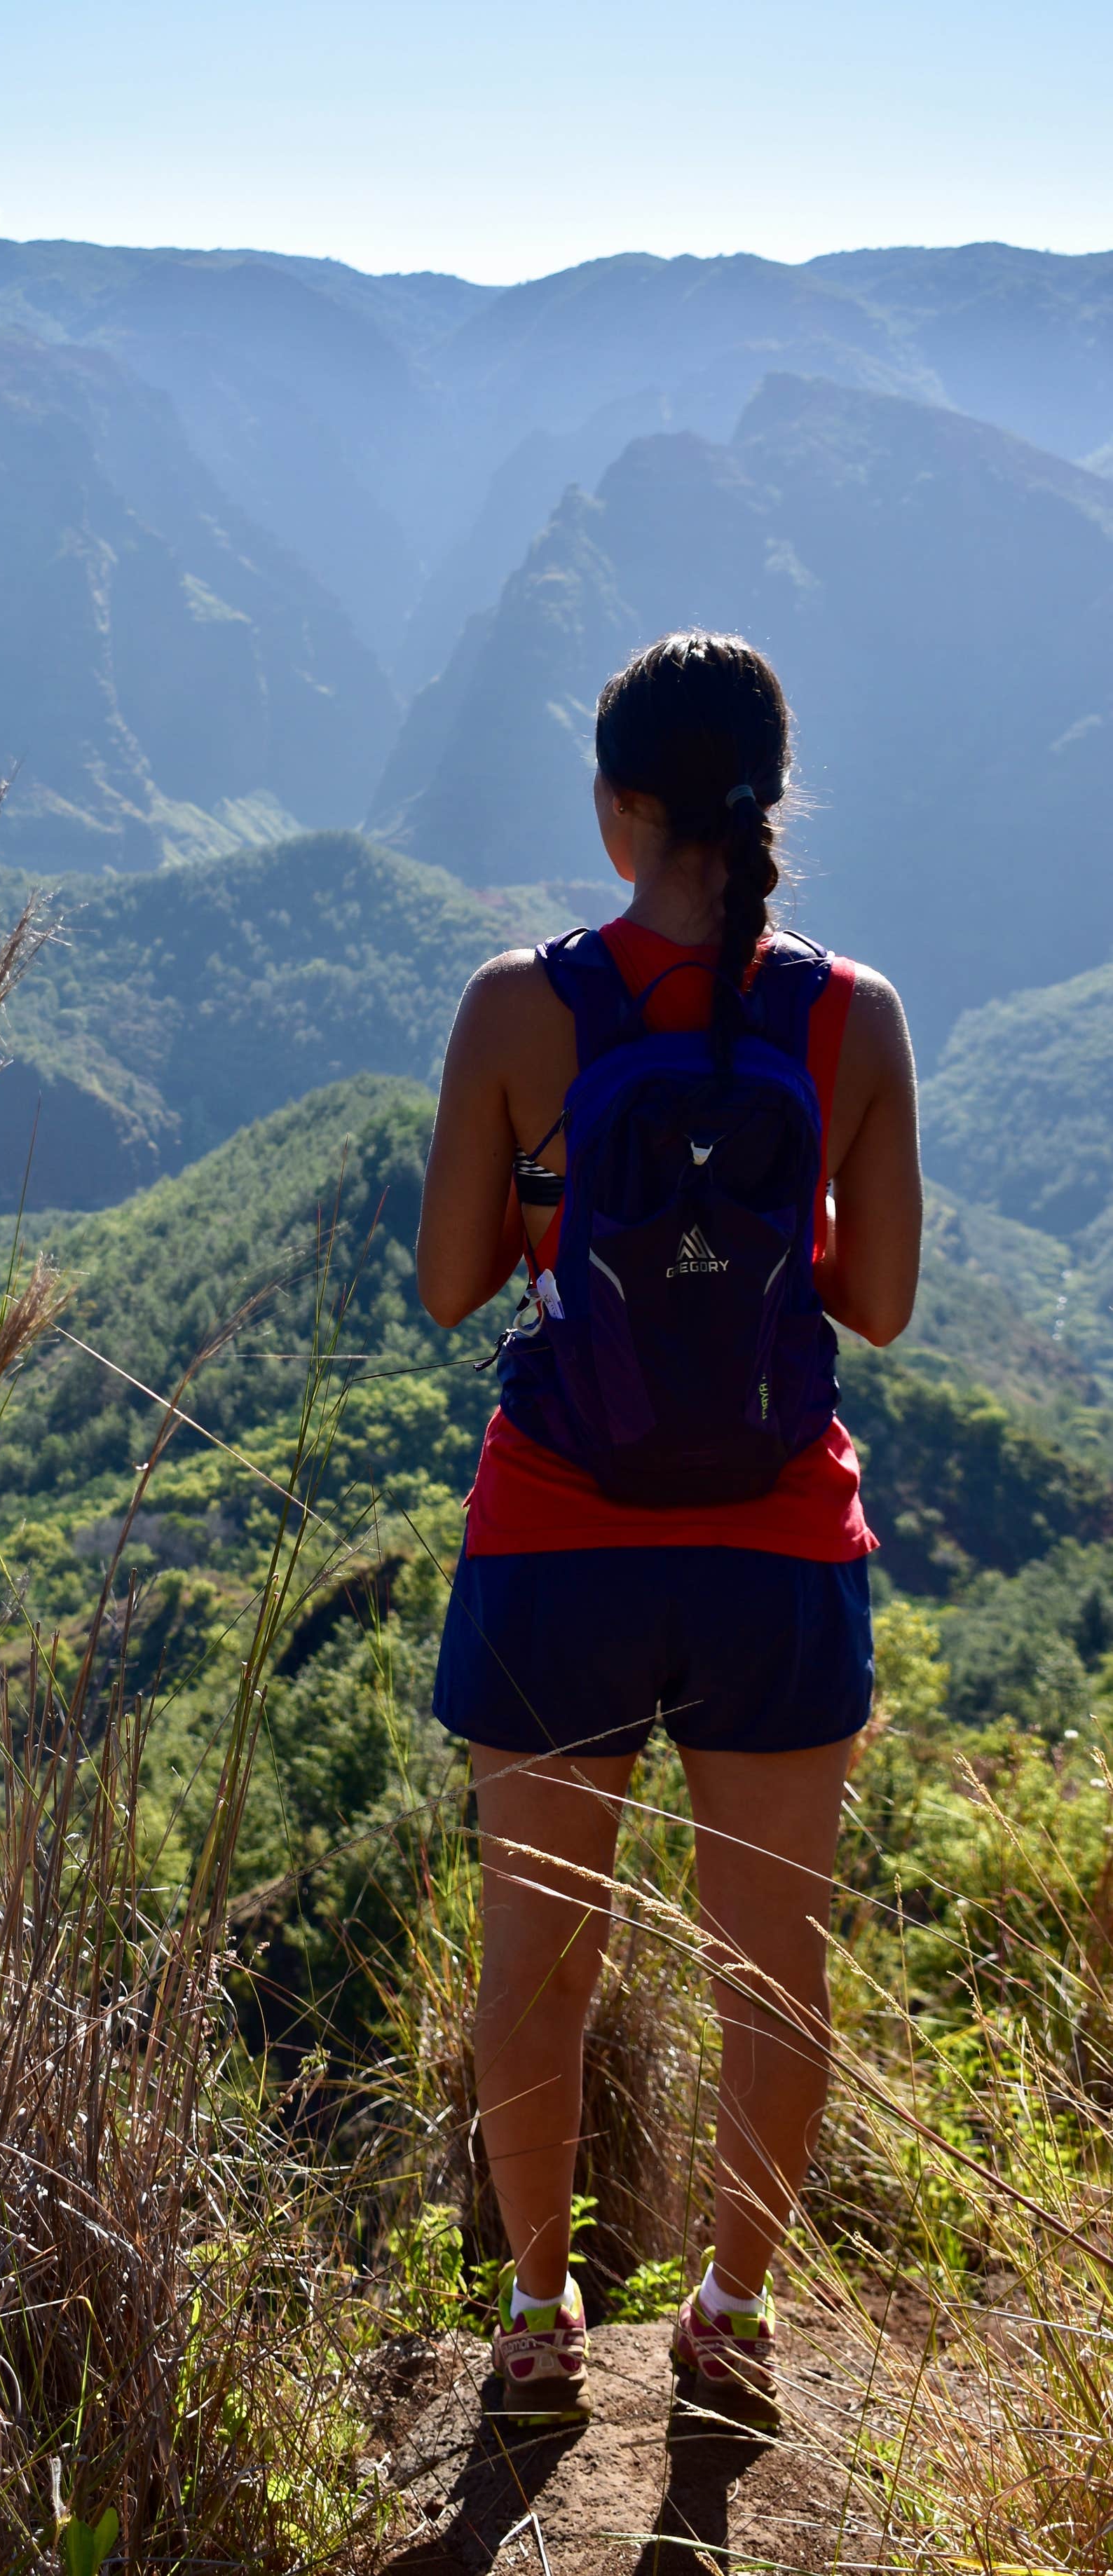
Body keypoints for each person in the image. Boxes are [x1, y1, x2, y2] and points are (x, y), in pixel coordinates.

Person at [415, 631, 920, 2427]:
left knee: (535, 1965)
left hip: (558, 1540)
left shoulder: (518, 1006)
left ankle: (536, 2318)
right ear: (768, 801)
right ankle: (730, 2311)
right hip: (776, 1549)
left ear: (618, 804)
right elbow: (881, 1306)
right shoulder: (853, 1013)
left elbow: (451, 1282)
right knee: (771, 1971)